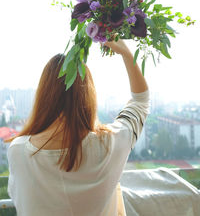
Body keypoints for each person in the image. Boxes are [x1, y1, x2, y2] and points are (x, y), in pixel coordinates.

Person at [5, 39, 150, 216]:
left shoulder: (18, 152)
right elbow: (140, 102)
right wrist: (126, 53)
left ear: (43, 94)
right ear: (87, 94)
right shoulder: (108, 144)